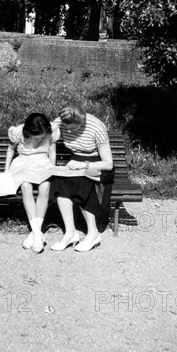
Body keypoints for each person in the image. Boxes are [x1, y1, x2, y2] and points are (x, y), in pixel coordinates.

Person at [49, 101, 114, 252]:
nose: (69, 132)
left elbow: (108, 164)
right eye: (67, 128)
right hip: (75, 162)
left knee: (82, 183)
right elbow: (50, 140)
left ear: (83, 121)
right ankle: (70, 232)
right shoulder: (61, 121)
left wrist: (84, 165)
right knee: (60, 183)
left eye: (74, 129)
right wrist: (52, 133)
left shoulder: (96, 128)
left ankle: (93, 234)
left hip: (96, 164)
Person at [5, 113, 59, 254]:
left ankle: (35, 234)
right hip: (23, 163)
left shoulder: (52, 130)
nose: (41, 139)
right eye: (37, 137)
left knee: (45, 186)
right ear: (29, 132)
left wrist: (51, 169)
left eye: (42, 136)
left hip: (42, 163)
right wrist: (6, 171)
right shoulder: (18, 133)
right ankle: (37, 234)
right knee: (25, 186)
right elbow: (11, 149)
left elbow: (52, 150)